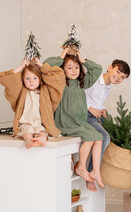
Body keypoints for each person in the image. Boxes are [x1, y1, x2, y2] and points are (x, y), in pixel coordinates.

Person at [44, 47, 105, 189]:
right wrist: (62, 55)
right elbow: (46, 66)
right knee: (90, 138)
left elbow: (97, 69)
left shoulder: (81, 83)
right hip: (66, 124)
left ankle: (95, 170)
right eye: (69, 67)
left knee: (99, 138)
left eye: (77, 67)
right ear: (63, 69)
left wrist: (83, 60)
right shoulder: (60, 83)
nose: (74, 70)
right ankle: (81, 167)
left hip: (79, 123)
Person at [0, 58, 65, 149]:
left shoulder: (46, 90)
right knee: (27, 132)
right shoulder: (20, 91)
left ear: (40, 80)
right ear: (22, 80)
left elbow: (59, 77)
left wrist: (42, 66)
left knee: (42, 132)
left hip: (41, 123)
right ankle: (29, 141)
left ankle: (41, 139)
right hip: (25, 122)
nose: (31, 81)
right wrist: (21, 67)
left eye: (35, 78)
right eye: (27, 78)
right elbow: (2, 77)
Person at [84, 59, 130, 191]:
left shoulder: (108, 87)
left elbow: (97, 101)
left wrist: (102, 109)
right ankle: (92, 172)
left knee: (119, 134)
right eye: (118, 72)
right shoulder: (94, 79)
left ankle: (113, 172)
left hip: (97, 114)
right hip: (86, 114)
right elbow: (79, 94)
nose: (119, 77)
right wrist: (89, 108)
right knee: (104, 136)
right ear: (110, 67)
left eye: (122, 77)